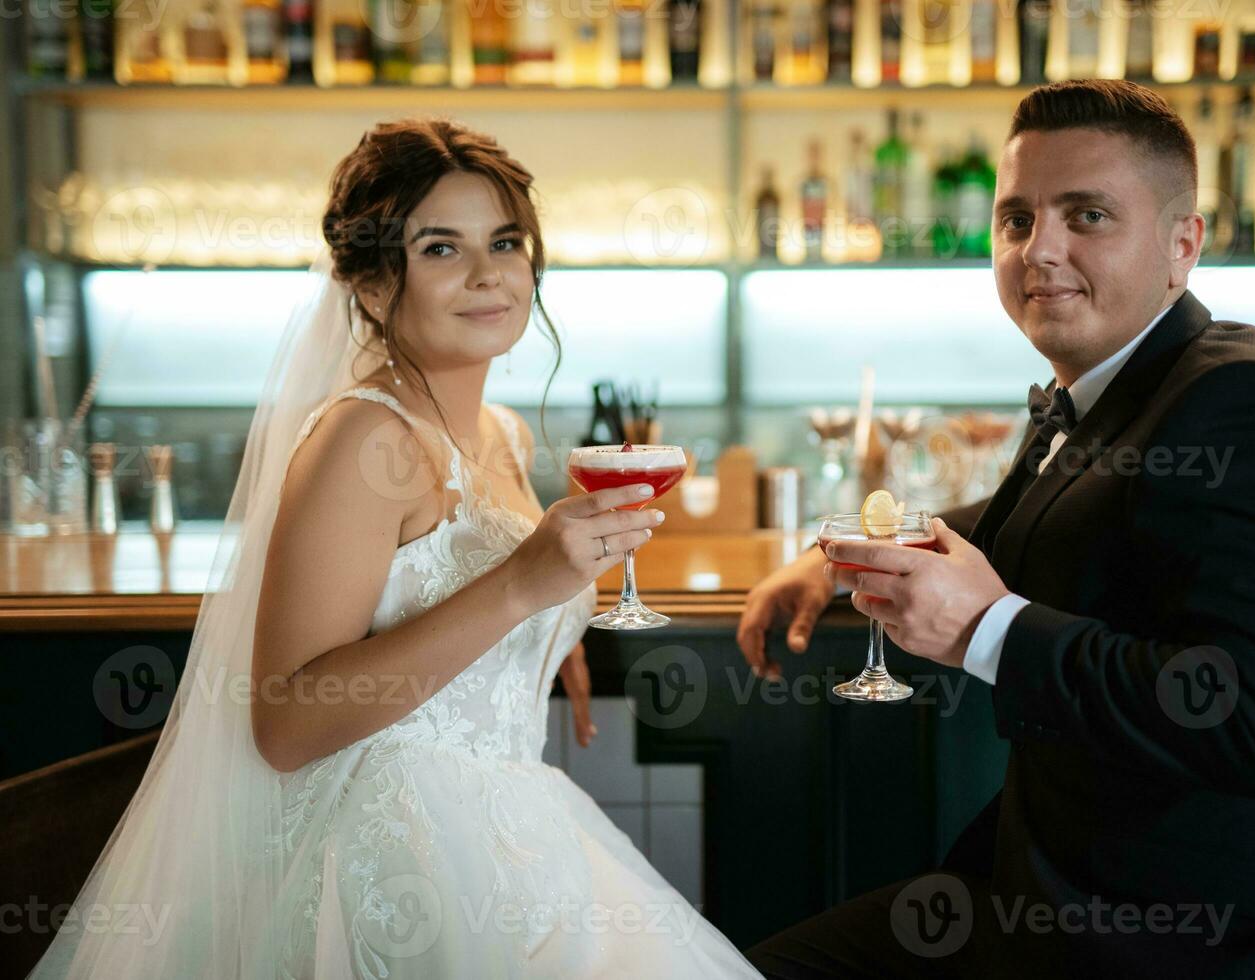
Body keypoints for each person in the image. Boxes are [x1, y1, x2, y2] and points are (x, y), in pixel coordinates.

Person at [737, 80, 1255, 978]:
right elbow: (1047, 522)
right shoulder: (1126, 383)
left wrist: (984, 630)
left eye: (1089, 215)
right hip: (1059, 902)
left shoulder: (1247, 405)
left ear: (1182, 245)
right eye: (1017, 218)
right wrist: (835, 557)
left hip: (1227, 942)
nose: (1041, 250)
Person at [30, 119, 760, 978]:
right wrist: (524, 590)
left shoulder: (503, 434)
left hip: (519, 833)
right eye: (442, 248)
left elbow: (453, 602)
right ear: (374, 283)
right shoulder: (365, 442)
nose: (490, 274)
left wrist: (548, 636)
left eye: (506, 241)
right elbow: (287, 724)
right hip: (398, 859)